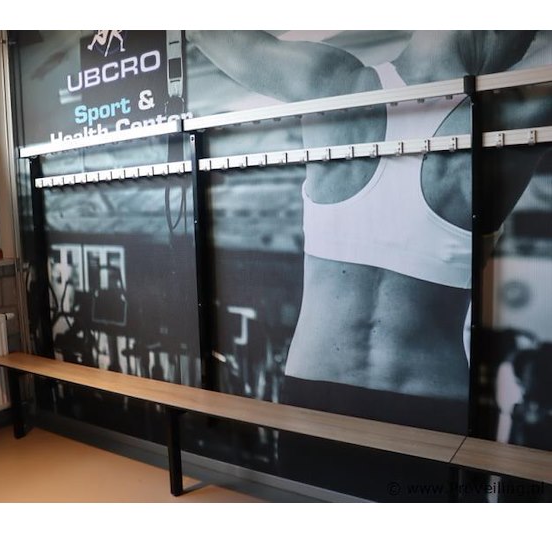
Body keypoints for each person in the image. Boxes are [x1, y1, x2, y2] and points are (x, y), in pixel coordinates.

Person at [187, 31, 551, 434]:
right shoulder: (504, 120)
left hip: (315, 391)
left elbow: (208, 30)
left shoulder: (330, 84)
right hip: (428, 403)